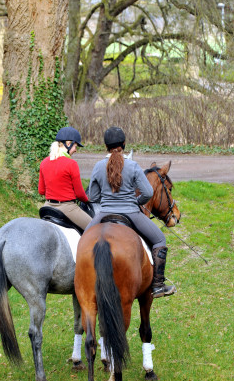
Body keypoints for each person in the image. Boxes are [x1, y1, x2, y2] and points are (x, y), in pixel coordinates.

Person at [86, 126, 176, 298]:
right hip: (131, 213)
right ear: (124, 144)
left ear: (105, 145)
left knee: (83, 239)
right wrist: (134, 202)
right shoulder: (133, 165)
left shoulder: (98, 167)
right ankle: (157, 285)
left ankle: (81, 279)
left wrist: (107, 200)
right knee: (159, 239)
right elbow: (148, 193)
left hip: (103, 214)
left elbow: (93, 196)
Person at [38, 126, 91, 231]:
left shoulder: (44, 162)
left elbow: (41, 191)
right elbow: (80, 194)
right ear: (68, 144)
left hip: (47, 207)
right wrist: (87, 199)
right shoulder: (71, 164)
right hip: (68, 208)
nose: (75, 150)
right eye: (75, 146)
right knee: (95, 229)